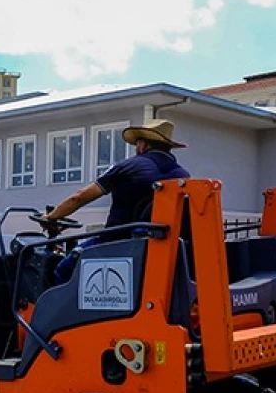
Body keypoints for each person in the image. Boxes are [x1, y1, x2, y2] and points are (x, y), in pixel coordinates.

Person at [43, 118, 191, 284]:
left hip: (115, 244)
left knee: (63, 270)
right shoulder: (183, 176)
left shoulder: (127, 167)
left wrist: (52, 217)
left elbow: (79, 198)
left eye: (137, 144)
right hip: (162, 250)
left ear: (143, 144)